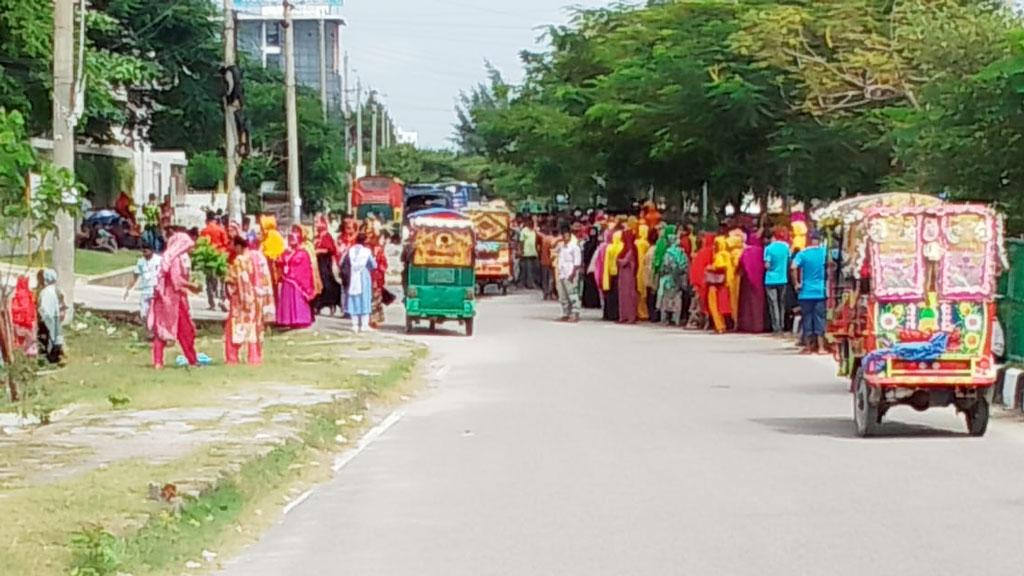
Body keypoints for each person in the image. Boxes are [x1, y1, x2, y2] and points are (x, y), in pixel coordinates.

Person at [148, 233, 201, 368]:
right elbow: (176, 281)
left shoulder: (171, 259)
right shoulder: (175, 260)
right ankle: (190, 359)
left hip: (170, 299)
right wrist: (192, 285)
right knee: (183, 330)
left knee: (165, 329)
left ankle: (160, 361)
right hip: (171, 301)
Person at [224, 237, 263, 365]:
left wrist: (228, 283)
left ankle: (232, 356)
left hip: (240, 298)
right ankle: (253, 356)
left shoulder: (239, 261)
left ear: (239, 246)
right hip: (253, 296)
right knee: (251, 327)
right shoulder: (255, 258)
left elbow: (239, 280)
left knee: (234, 327)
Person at [792, 231, 828, 354]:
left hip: (805, 292)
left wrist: (796, 283)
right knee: (820, 318)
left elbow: (793, 267)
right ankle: (821, 347)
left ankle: (808, 347)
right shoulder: (825, 253)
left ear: (809, 240)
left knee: (807, 318)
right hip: (820, 291)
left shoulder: (803, 254)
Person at [276, 231, 315, 329]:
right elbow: (280, 260)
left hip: (298, 282)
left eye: (293, 239)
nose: (291, 241)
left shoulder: (303, 253)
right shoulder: (286, 252)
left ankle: (301, 319)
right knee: (287, 300)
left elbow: (305, 268)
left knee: (298, 299)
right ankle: (288, 319)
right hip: (287, 280)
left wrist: (294, 274)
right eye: (290, 239)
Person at [344, 233, 377, 333]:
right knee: (364, 299)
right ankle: (364, 325)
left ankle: (354, 325)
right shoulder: (366, 251)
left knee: (354, 298)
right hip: (364, 276)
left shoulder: (351, 250)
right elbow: (373, 265)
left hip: (353, 276)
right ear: (365, 241)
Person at [656, 226, 689, 326]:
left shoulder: (668, 253)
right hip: (679, 279)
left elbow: (665, 266)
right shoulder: (682, 252)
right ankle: (676, 319)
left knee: (666, 300)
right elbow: (685, 265)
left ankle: (665, 319)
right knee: (677, 300)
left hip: (668, 279)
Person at [124, 244, 162, 327]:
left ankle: (154, 327)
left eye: (146, 251)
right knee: (144, 311)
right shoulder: (140, 262)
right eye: (143, 251)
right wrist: (128, 289)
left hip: (156, 288)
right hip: (145, 289)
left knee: (155, 311)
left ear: (151, 251)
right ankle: (146, 326)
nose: (144, 254)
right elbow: (135, 276)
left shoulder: (159, 260)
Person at [737, 232, 767, 333]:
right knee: (759, 303)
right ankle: (759, 325)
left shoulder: (746, 252)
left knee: (747, 304)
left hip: (747, 281)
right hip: (760, 280)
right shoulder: (762, 251)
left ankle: (747, 325)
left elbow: (741, 264)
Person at [312, 216, 342, 316]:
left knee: (326, 283)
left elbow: (330, 249)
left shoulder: (327, 236)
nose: (316, 224)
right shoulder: (317, 237)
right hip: (316, 263)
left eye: (318, 222)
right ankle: (317, 305)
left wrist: (318, 251)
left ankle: (331, 302)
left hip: (324, 263)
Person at [763, 226, 791, 335]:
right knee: (782, 303)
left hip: (770, 279)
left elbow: (767, 265)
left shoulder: (768, 248)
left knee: (773, 304)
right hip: (783, 278)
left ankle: (776, 326)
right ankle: (782, 325)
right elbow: (789, 261)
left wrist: (771, 267)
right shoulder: (786, 247)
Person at [199, 213, 230, 310]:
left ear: (207, 220)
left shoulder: (204, 231)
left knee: (209, 281)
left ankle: (212, 304)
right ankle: (222, 300)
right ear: (215, 220)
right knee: (222, 280)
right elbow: (226, 243)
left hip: (209, 258)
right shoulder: (221, 230)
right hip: (220, 256)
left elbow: (201, 245)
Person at [36, 269, 65, 364]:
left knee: (49, 338)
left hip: (48, 318)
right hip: (54, 317)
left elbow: (44, 309)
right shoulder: (53, 290)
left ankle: (50, 357)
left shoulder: (46, 292)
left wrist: (41, 318)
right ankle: (56, 356)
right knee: (56, 336)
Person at [687, 233, 715, 329]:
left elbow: (696, 268)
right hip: (708, 281)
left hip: (699, 281)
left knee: (698, 303)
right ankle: (706, 322)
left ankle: (697, 322)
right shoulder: (712, 252)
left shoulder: (702, 252)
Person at [555, 224, 583, 322]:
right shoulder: (562, 246)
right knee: (563, 295)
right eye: (562, 235)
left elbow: (577, 262)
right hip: (562, 272)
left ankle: (575, 313)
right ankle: (565, 313)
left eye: (565, 235)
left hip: (571, 272)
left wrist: (573, 274)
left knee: (572, 294)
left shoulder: (574, 247)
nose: (564, 237)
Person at [707, 236, 734, 334]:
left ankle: (719, 326)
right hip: (725, 284)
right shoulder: (728, 254)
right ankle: (722, 326)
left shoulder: (720, 255)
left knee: (714, 306)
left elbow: (720, 267)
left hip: (716, 285)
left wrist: (710, 268)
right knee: (721, 306)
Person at [365, 224, 389, 328]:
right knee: (367, 298)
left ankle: (375, 320)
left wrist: (379, 269)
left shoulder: (379, 249)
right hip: (366, 276)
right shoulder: (365, 249)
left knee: (376, 299)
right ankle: (367, 319)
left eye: (370, 235)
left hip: (377, 277)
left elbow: (384, 264)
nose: (368, 238)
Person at [9, 276, 37, 357]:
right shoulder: (29, 295)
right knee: (28, 342)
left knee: (19, 341)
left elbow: (15, 308)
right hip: (28, 323)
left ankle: (19, 356)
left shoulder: (18, 295)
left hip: (19, 322)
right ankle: (29, 356)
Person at [617, 229, 639, 324]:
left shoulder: (631, 249)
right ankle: (623, 316)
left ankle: (630, 316)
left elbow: (625, 261)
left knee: (629, 296)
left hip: (628, 275)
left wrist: (618, 260)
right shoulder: (625, 248)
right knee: (623, 295)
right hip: (623, 275)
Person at [602, 230, 624, 322]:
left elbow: (606, 261)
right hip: (619, 272)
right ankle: (617, 314)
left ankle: (609, 314)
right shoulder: (622, 246)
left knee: (610, 295)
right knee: (617, 295)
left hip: (610, 273)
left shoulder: (609, 247)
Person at [581, 226, 602, 309]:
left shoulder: (598, 244)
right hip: (587, 266)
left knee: (594, 284)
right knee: (588, 285)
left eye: (594, 232)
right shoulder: (586, 243)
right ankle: (587, 302)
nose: (592, 233)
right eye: (591, 232)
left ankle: (595, 302)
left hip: (596, 266)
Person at [635, 225, 652, 321]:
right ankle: (643, 313)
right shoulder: (645, 244)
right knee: (643, 292)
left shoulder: (636, 242)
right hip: (643, 268)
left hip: (637, 267)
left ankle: (637, 311)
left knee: (637, 290)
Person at [518, 219, 540, 289]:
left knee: (535, 269)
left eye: (532, 224)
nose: (531, 225)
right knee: (528, 269)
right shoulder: (524, 231)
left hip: (534, 253)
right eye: (530, 223)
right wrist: (521, 251)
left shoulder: (534, 231)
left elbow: (536, 241)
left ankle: (532, 283)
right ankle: (529, 284)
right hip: (527, 253)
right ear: (527, 223)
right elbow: (521, 241)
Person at [539, 227, 556, 300]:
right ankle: (550, 293)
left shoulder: (544, 239)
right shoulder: (554, 240)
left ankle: (545, 293)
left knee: (545, 278)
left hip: (544, 261)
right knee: (551, 278)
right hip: (551, 261)